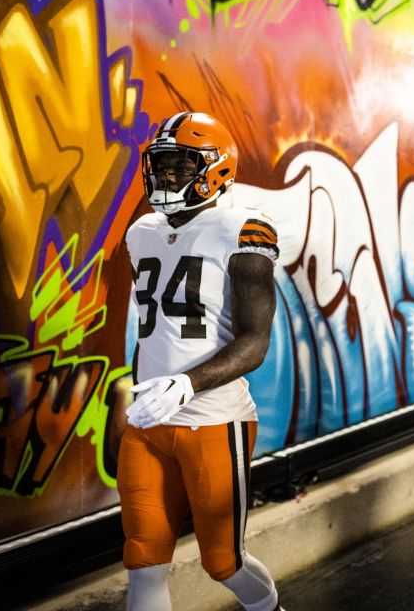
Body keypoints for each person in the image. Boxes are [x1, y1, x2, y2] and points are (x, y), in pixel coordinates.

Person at [120, 111, 286, 611]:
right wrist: (141, 387)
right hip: (149, 424)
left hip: (215, 421)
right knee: (143, 559)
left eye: (180, 165)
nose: (166, 176)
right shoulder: (142, 232)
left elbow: (255, 343)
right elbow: (155, 331)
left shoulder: (243, 229)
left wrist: (185, 385)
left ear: (215, 169)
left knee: (223, 562)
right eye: (161, 165)